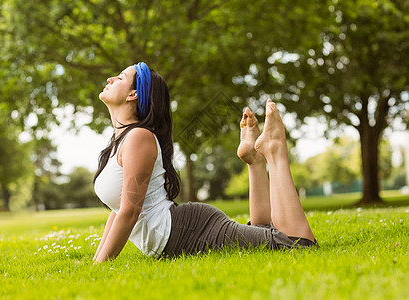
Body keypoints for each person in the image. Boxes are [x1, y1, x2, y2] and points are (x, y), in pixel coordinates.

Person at [93, 62, 317, 263]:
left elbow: (130, 212)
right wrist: (97, 261)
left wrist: (101, 266)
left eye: (120, 77)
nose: (110, 79)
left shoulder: (138, 137)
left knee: (297, 244)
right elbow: (118, 208)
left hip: (189, 230)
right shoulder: (120, 141)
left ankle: (275, 149)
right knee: (262, 234)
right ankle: (255, 161)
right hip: (179, 232)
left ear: (133, 94)